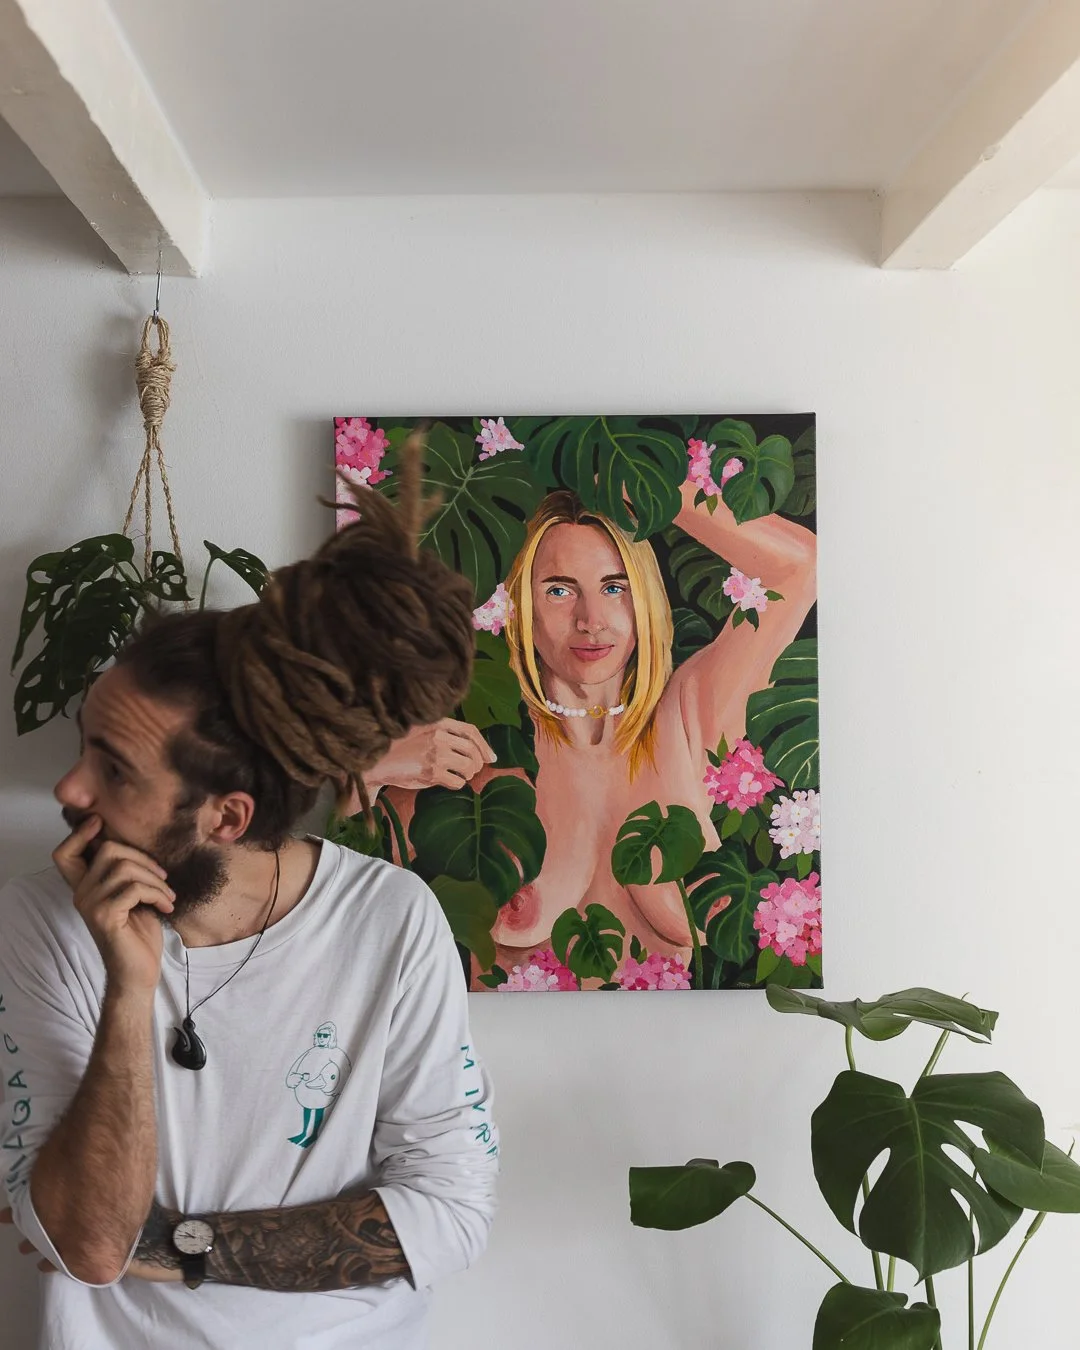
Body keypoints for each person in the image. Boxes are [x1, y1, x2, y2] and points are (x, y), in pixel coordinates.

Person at [0, 441, 499, 1349]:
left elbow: (448, 1212)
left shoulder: (391, 922)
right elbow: (85, 1243)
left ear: (226, 818)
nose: (68, 792)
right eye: (85, 749)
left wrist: (177, 1246)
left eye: (112, 771)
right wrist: (129, 992)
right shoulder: (37, 923)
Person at [362, 471, 816, 978]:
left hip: (685, 1048)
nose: (591, 619)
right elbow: (348, 906)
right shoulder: (475, 756)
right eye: (559, 590)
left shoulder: (689, 723)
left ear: (643, 596)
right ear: (520, 604)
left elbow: (798, 566)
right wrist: (373, 768)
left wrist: (651, 486)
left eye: (614, 586)